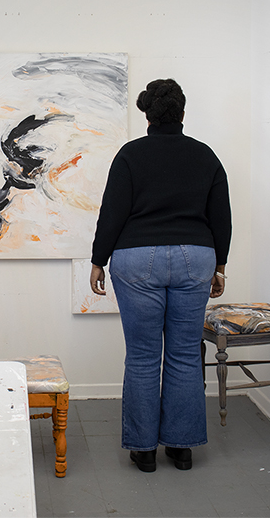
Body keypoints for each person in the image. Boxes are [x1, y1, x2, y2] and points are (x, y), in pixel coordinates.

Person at [90, 78, 231, 472]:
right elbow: (221, 215)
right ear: (182, 113)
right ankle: (182, 449)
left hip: (136, 258)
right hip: (196, 257)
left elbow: (113, 211)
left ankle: (144, 451)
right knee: (185, 353)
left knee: (142, 356)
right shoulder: (205, 156)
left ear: (148, 116)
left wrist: (99, 259)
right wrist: (220, 265)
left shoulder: (130, 155)